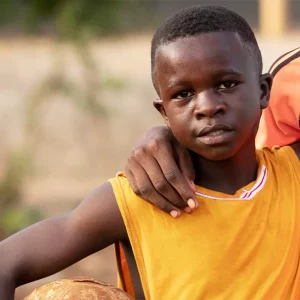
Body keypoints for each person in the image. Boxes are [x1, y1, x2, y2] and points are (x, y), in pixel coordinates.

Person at [0, 5, 299, 300]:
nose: (207, 106)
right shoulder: (137, 198)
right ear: (164, 112)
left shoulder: (292, 173)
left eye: (227, 84)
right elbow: (6, 261)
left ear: (263, 91)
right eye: (183, 94)